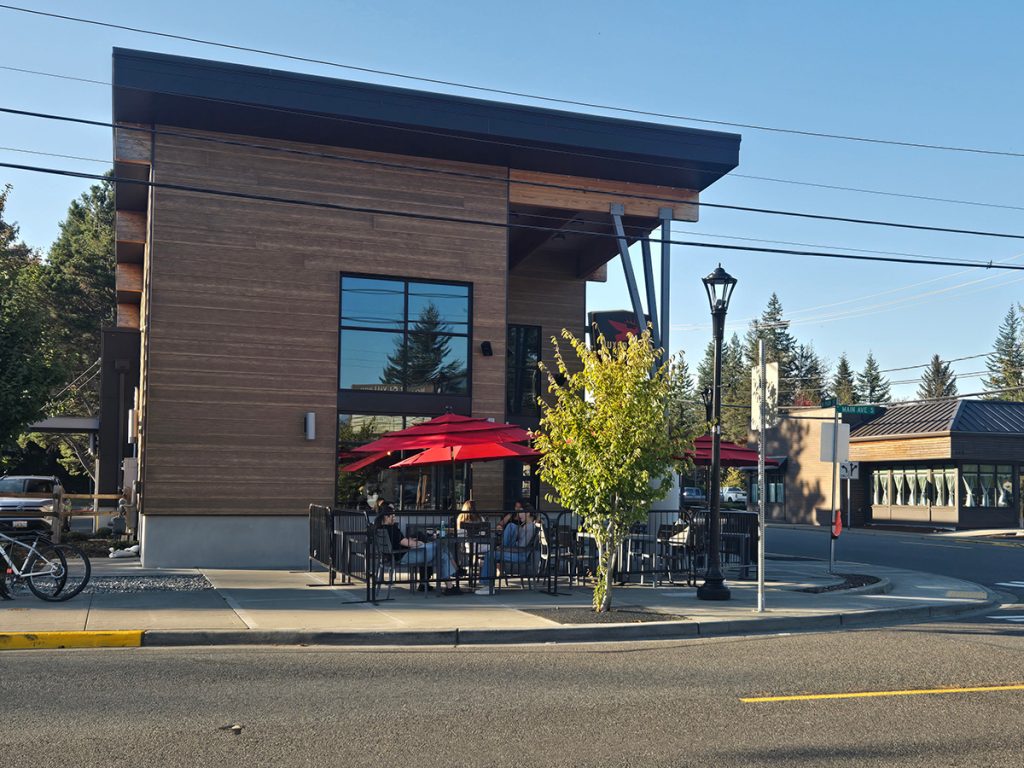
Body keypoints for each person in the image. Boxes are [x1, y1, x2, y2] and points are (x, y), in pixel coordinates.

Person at [374, 504, 462, 595]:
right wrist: (419, 543)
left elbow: (399, 542)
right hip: (404, 555)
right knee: (440, 546)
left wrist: (411, 541)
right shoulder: (392, 529)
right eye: (392, 516)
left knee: (443, 554)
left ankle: (450, 585)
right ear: (386, 517)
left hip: (396, 555)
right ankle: (455, 573)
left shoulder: (380, 528)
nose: (394, 518)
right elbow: (408, 543)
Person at [475, 501, 540, 595]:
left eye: (521, 512)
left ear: (528, 513)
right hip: (517, 552)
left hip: (521, 555)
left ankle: (488, 586)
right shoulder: (524, 526)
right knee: (511, 526)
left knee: (490, 554)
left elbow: (521, 548)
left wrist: (504, 549)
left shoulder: (530, 528)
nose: (519, 515)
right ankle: (488, 585)